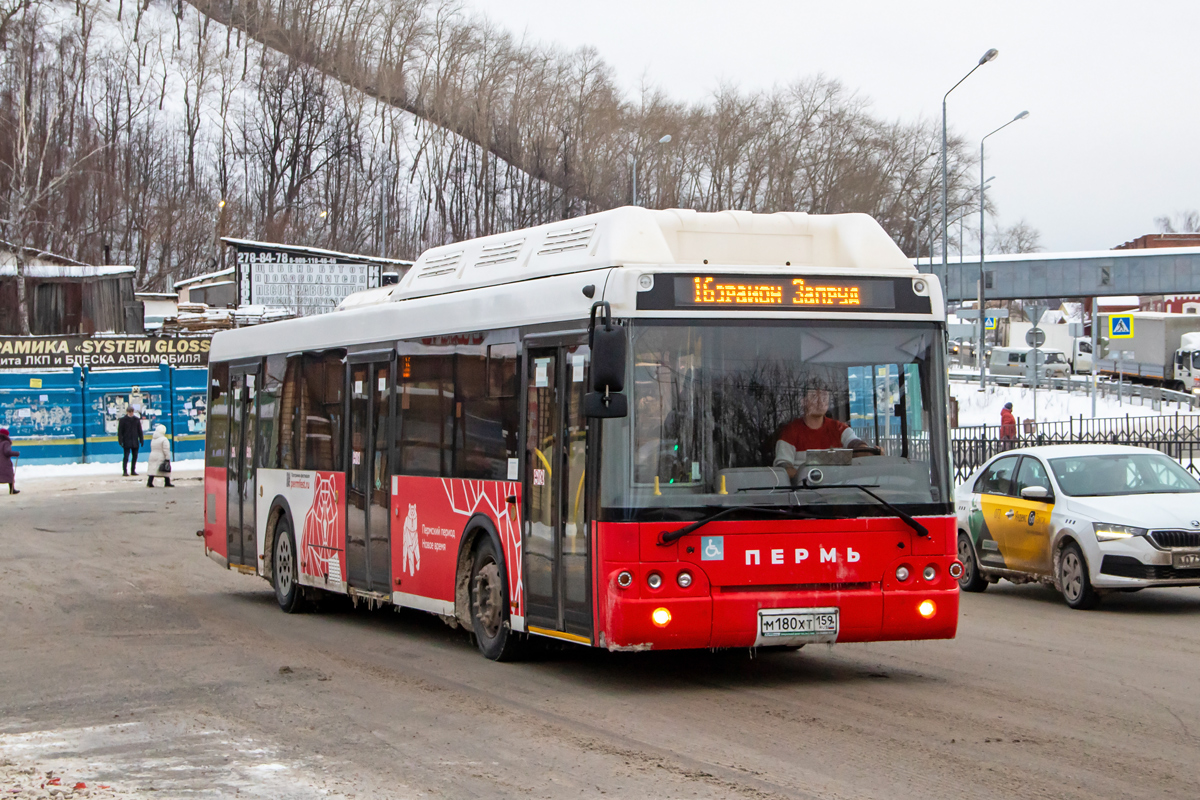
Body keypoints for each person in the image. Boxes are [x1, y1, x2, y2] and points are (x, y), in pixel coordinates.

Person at [774, 387, 880, 476]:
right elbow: (783, 466)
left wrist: (868, 451)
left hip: (840, 489)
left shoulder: (839, 428)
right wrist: (804, 477)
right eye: (814, 397)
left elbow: (855, 444)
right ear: (803, 401)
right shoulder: (790, 431)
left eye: (824, 397)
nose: (820, 402)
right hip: (802, 491)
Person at [118, 406, 144, 477]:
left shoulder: (136, 420)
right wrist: (120, 441)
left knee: (135, 456)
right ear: (127, 412)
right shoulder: (123, 420)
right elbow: (120, 432)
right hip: (126, 441)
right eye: (130, 412)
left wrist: (141, 439)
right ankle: (125, 471)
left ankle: (133, 470)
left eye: (132, 412)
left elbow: (140, 431)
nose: (131, 413)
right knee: (126, 456)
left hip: (135, 441)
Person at [146, 424, 174, 488]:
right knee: (165, 470)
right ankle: (167, 482)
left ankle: (149, 482)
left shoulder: (154, 439)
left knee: (152, 470)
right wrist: (167, 458)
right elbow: (166, 449)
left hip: (153, 455)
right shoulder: (164, 439)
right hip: (161, 456)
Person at [0, 427, 19, 495]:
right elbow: (7, 452)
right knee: (10, 475)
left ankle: (12, 490)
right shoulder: (6, 443)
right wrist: (16, 453)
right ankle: (12, 490)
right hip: (4, 463)